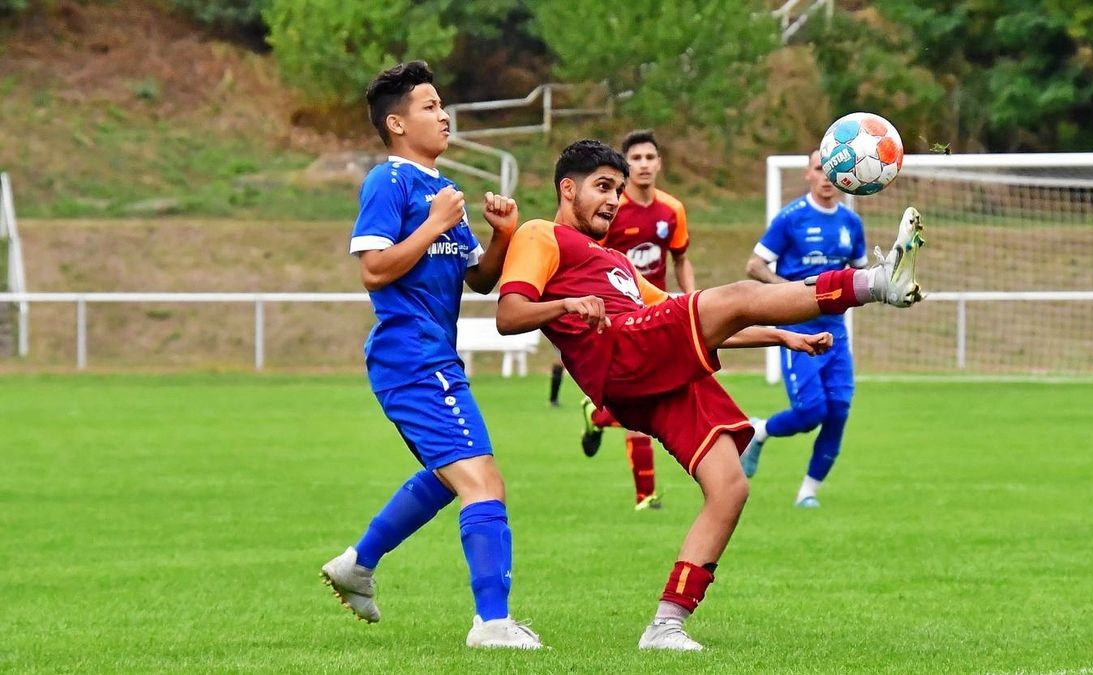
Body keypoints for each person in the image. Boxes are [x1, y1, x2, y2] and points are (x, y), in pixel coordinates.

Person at [495, 139, 924, 651]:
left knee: (730, 487)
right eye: (602, 187)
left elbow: (693, 318)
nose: (613, 200)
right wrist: (568, 304)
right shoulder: (539, 233)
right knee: (740, 295)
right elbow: (509, 315)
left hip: (652, 373)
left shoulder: (617, 263)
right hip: (621, 352)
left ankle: (666, 623)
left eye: (618, 190)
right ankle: (875, 283)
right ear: (568, 188)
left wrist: (781, 335)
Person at [319, 61, 542, 650]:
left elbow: (480, 281)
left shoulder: (441, 193)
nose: (443, 115)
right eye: (429, 106)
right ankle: (491, 623)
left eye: (442, 105)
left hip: (430, 356)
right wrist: (435, 223)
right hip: (411, 356)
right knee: (484, 481)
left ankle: (356, 565)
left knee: (451, 478)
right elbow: (373, 269)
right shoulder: (388, 182)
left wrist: (501, 235)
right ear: (396, 123)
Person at [740, 149, 868, 508]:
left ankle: (807, 492)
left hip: (836, 333)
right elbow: (755, 265)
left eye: (834, 170)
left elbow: (857, 275)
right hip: (799, 331)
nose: (827, 177)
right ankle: (759, 431)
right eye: (819, 169)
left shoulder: (851, 224)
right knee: (812, 411)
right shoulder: (791, 218)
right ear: (808, 175)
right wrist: (788, 291)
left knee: (838, 411)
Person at [578, 129, 696, 511]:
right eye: (636, 159)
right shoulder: (612, 209)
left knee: (652, 398)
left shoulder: (671, 210)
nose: (643, 165)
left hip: (657, 312)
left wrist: (691, 300)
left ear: (659, 163)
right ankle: (645, 494)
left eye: (650, 157)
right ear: (626, 167)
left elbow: (680, 259)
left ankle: (599, 417)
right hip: (616, 319)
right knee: (644, 400)